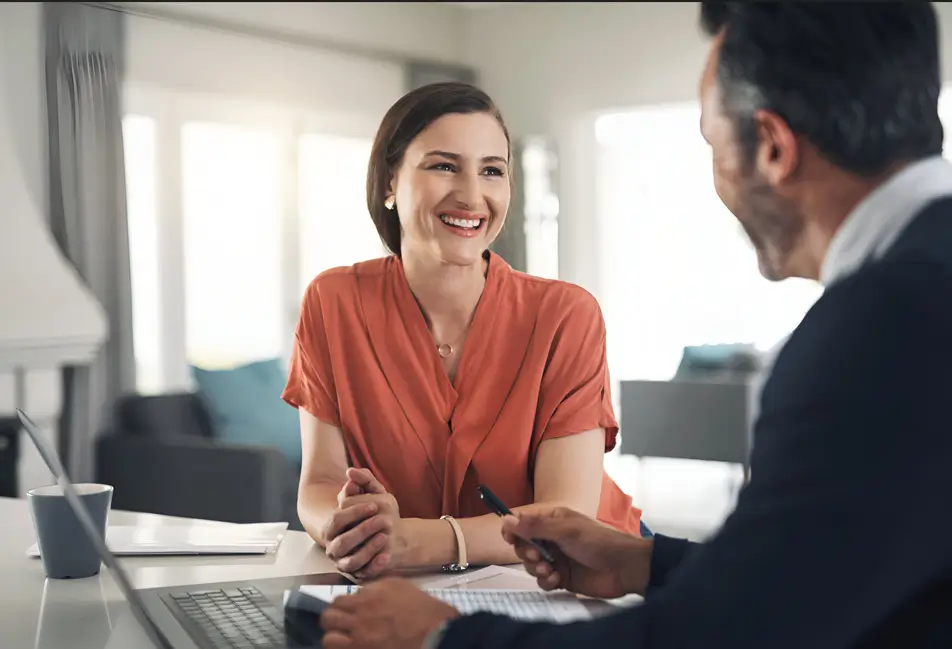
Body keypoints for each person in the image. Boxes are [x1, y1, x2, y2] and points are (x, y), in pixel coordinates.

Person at [316, 3, 952, 648]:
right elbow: (818, 576)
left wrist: (447, 640)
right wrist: (646, 562)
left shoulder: (872, 332)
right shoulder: (917, 296)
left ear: (772, 148)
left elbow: (722, 635)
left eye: (711, 144)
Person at [282, 81, 646, 581]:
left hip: (579, 579)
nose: (473, 196)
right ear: (389, 181)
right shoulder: (332, 302)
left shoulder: (566, 315)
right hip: (416, 580)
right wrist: (350, 530)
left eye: (492, 171)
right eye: (444, 166)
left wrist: (412, 540)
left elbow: (564, 518)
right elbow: (320, 483)